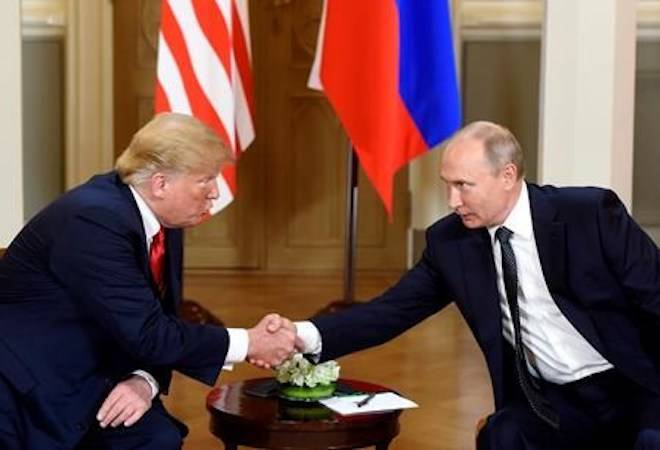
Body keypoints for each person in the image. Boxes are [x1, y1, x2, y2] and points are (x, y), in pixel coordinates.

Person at [285, 121, 660, 449]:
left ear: (508, 176)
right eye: (447, 186)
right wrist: (302, 335)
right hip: (552, 401)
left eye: (464, 186)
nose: (452, 201)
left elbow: (655, 298)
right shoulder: (451, 243)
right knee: (504, 434)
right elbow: (391, 311)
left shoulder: (590, 214)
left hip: (632, 386)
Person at [0, 113, 295, 450]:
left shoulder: (162, 220)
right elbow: (149, 333)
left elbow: (160, 320)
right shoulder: (94, 221)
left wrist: (145, 381)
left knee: (159, 438)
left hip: (101, 372)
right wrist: (251, 343)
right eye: (206, 180)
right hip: (28, 392)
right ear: (160, 184)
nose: (214, 193)